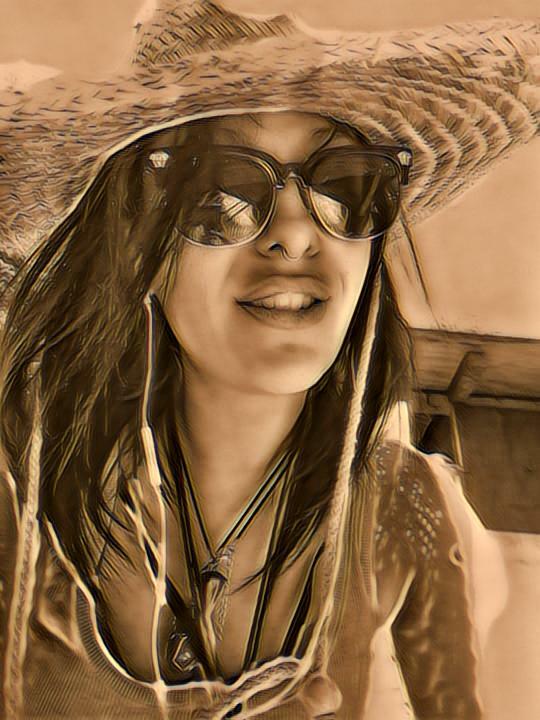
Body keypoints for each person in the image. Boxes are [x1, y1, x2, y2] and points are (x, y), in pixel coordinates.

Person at [0, 2, 537, 718]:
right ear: (137, 245)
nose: (297, 234)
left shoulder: (404, 502)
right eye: (223, 191)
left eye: (344, 185)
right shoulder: (21, 488)